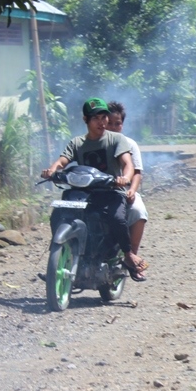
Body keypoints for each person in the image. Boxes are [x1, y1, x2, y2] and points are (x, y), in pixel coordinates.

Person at [41, 98, 147, 281]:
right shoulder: (77, 143)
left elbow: (127, 164)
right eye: (96, 118)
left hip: (111, 192)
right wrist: (52, 169)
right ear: (86, 120)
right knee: (58, 213)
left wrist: (125, 178)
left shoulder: (117, 140)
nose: (102, 122)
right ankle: (58, 256)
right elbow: (62, 160)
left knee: (117, 218)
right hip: (82, 193)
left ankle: (129, 255)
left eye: (104, 117)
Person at [107, 101, 149, 281]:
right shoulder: (92, 142)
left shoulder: (129, 144)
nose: (114, 127)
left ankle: (130, 257)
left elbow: (137, 172)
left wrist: (131, 190)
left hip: (122, 191)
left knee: (138, 211)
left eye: (118, 123)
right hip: (95, 192)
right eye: (110, 123)